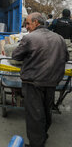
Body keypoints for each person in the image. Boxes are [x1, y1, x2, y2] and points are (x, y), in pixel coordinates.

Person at [12, 12, 68, 147]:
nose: (26, 27)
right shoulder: (59, 38)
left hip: (33, 81)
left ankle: (36, 144)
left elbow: (16, 56)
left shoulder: (30, 38)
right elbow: (66, 57)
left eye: (28, 23)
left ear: (36, 22)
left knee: (35, 115)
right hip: (52, 81)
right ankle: (43, 135)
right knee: (45, 110)